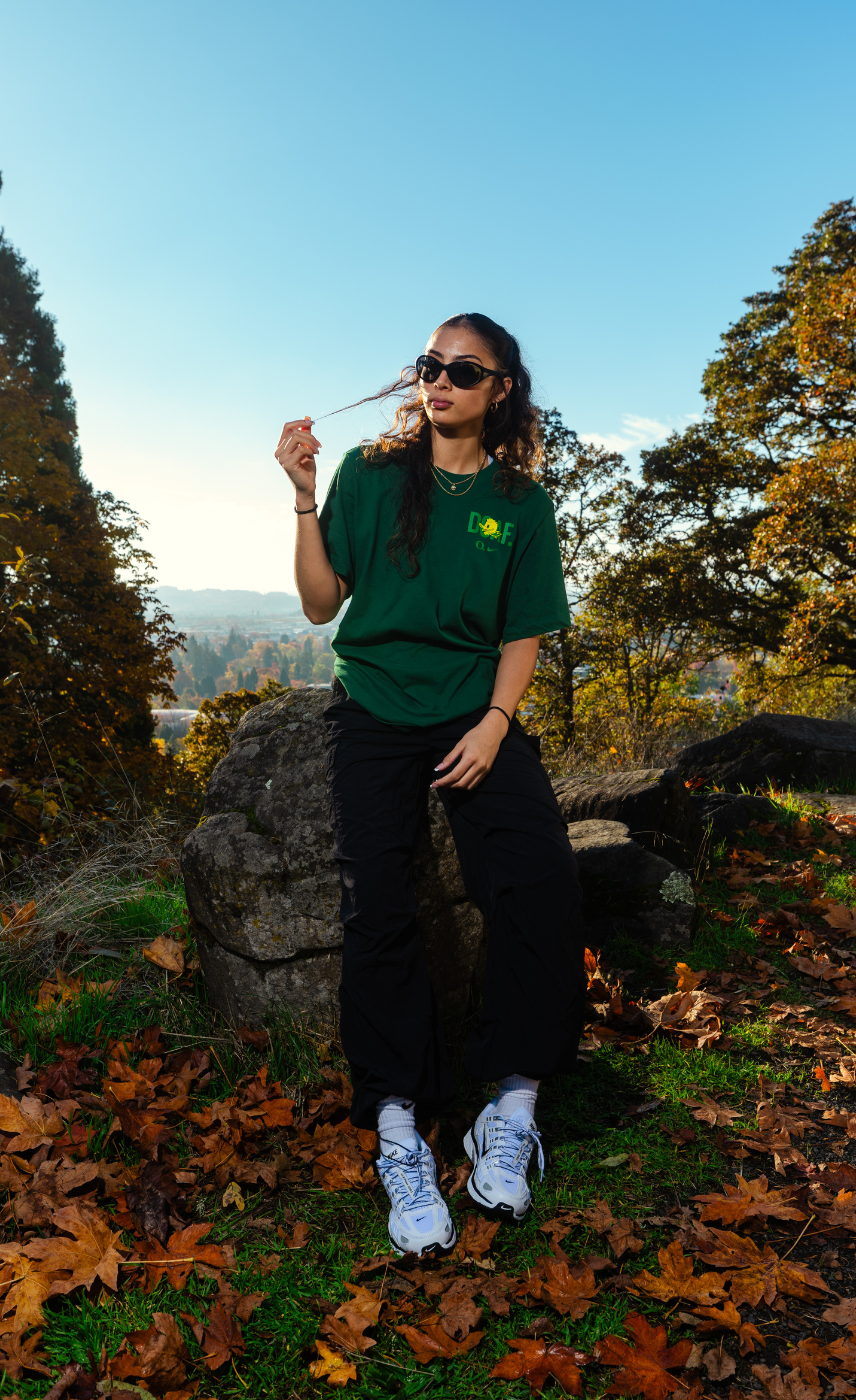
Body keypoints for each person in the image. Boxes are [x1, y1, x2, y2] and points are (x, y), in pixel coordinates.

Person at [275, 313, 584, 1256]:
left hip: (471, 714)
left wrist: (494, 725)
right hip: (374, 710)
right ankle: (400, 1123)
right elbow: (321, 605)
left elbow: (523, 631)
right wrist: (303, 499)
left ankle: (512, 1103)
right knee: (378, 902)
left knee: (538, 876)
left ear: (501, 391)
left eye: (464, 370)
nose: (440, 379)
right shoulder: (372, 473)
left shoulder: (521, 504)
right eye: (430, 365)